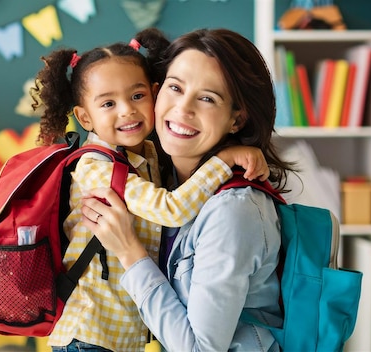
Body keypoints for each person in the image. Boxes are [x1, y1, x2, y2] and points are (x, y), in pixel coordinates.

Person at [31, 38, 271, 352]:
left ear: (152, 94)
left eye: (137, 95)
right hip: (89, 334)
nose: (128, 110)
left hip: (119, 338)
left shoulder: (146, 155)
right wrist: (224, 161)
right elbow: (170, 210)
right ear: (85, 118)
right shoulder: (95, 165)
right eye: (108, 104)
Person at [81, 28, 296, 352]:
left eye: (207, 98)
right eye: (176, 88)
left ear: (236, 119)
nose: (183, 108)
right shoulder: (159, 180)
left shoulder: (233, 212)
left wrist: (129, 251)